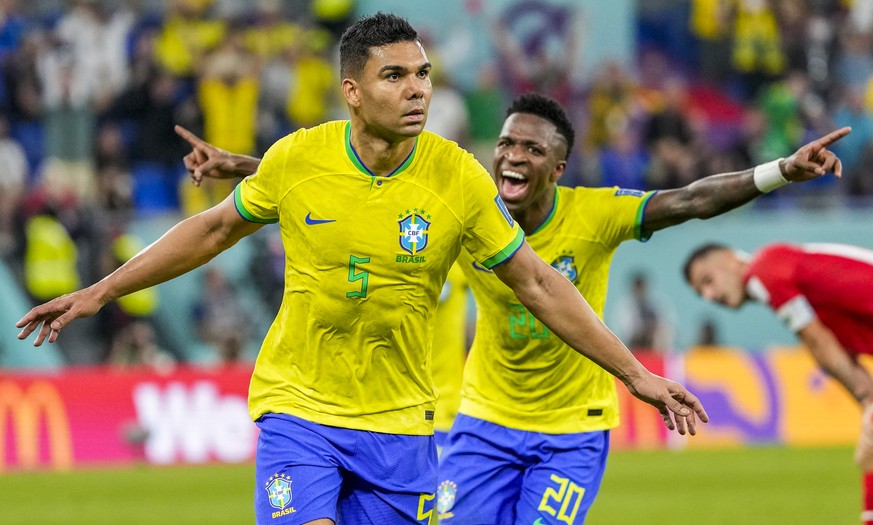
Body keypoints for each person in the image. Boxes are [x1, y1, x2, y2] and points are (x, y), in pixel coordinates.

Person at [16, 14, 706, 525]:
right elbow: (214, 226)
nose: (417, 90)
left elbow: (537, 282)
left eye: (423, 74)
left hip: (402, 425)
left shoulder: (456, 178)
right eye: (395, 75)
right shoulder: (298, 157)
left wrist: (635, 373)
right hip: (301, 409)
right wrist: (101, 290)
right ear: (351, 90)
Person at [175, 90, 847, 523]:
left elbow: (693, 198)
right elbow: (339, 178)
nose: (512, 156)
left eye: (532, 149)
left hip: (571, 431)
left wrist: (779, 171)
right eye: (506, 144)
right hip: (482, 425)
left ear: (557, 168)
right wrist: (238, 165)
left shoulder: (596, 214)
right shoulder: (466, 208)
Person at [683, 241, 873, 525]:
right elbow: (833, 349)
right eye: (701, 293)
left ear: (730, 258)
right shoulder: (791, 272)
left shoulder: (763, 273)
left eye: (707, 281)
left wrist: (866, 399)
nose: (710, 296)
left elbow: (817, 340)